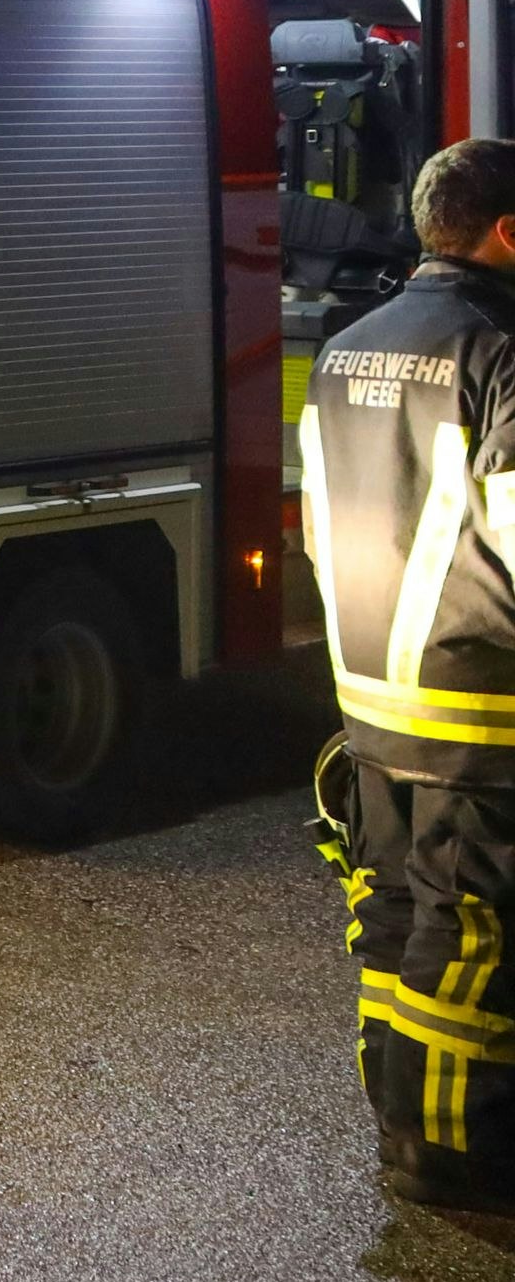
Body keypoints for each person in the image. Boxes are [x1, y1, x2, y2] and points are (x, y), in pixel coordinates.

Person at [308, 136, 515, 1216]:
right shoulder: (502, 351)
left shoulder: (347, 345)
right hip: (479, 705)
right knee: (468, 932)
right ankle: (448, 1160)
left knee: (393, 923)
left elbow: (317, 523)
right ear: (508, 233)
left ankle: (397, 1117)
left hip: (373, 695)